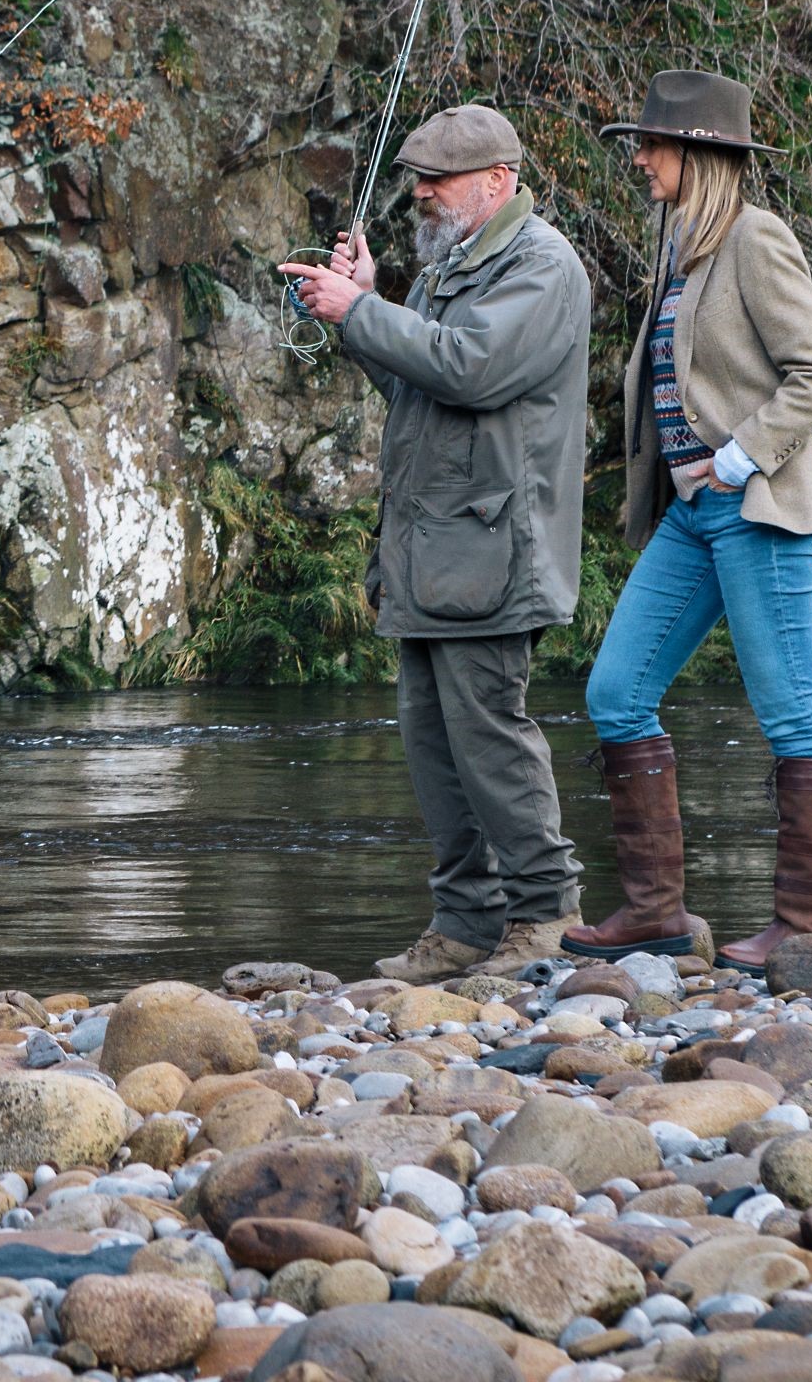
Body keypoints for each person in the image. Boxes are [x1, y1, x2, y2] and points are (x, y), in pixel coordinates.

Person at [562, 70, 812, 972]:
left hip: (759, 509)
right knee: (615, 691)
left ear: (698, 155)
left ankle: (804, 928)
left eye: (652, 145)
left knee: (793, 716)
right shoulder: (682, 247)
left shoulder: (756, 240)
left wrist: (734, 459)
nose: (640, 158)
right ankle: (656, 911)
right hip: (694, 516)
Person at [281, 105, 593, 981]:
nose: (420, 192)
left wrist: (365, 311)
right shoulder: (446, 268)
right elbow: (417, 385)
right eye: (418, 176)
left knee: (491, 735)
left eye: (439, 178)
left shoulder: (543, 266)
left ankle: (547, 915)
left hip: (496, 555)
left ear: (498, 181)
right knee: (431, 743)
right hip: (430, 557)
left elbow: (471, 367)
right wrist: (359, 313)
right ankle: (464, 923)